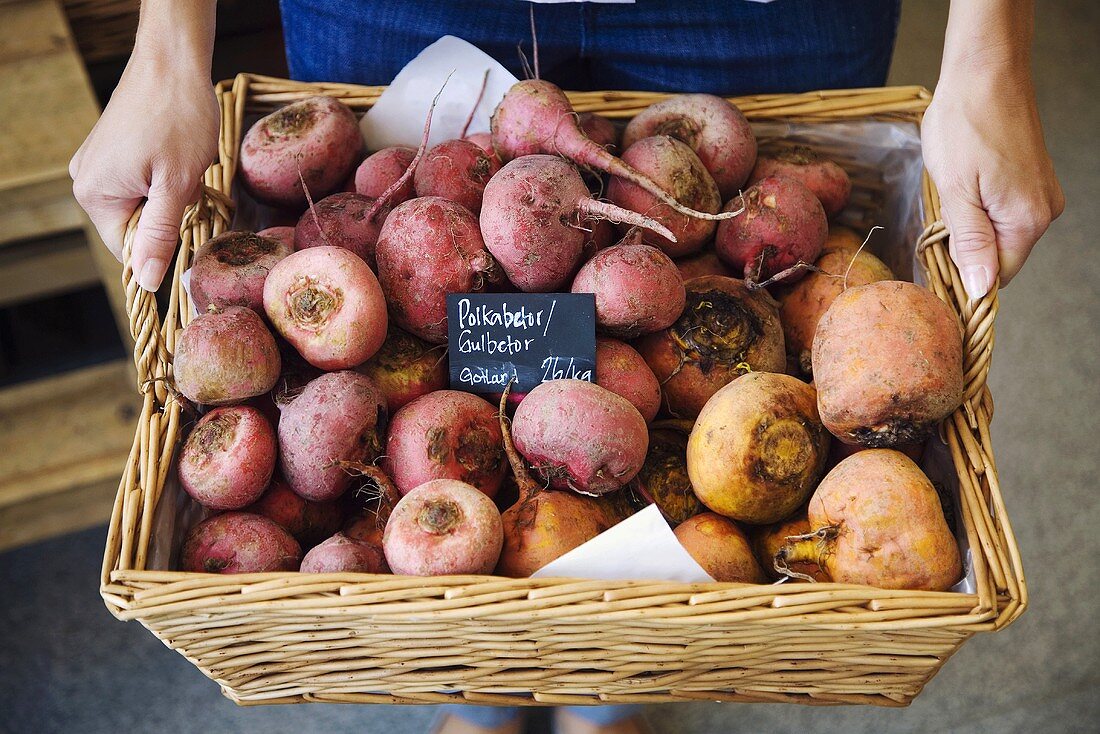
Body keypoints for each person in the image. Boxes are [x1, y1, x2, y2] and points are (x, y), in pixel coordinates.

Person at [68, 2, 1063, 733]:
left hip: (759, 21)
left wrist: (986, 53)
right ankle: (488, 682)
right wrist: (165, 48)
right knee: (486, 548)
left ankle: (602, 688)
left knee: (628, 529)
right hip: (398, 14)